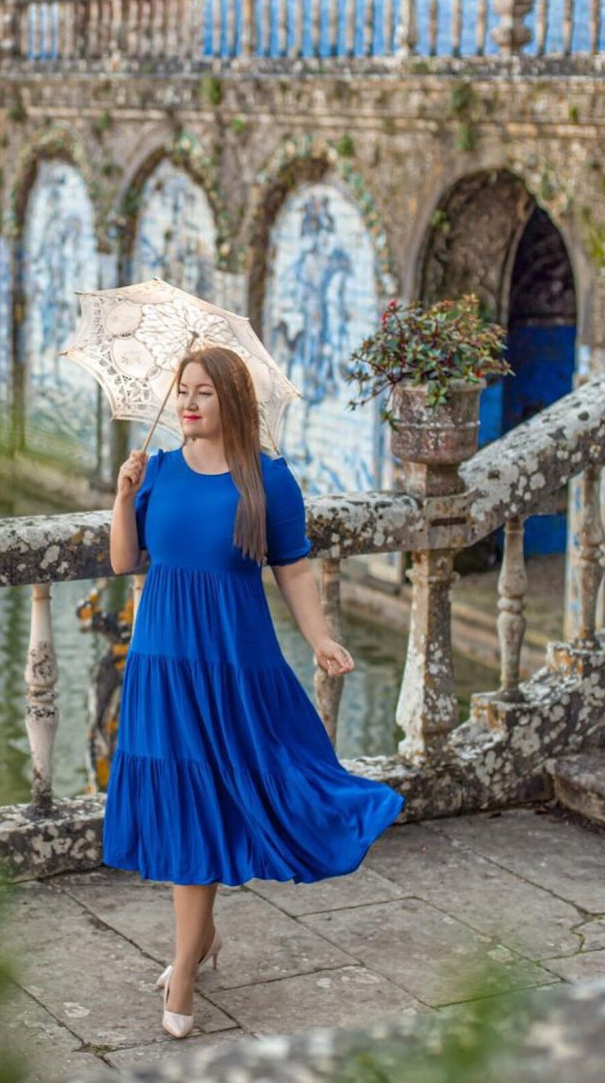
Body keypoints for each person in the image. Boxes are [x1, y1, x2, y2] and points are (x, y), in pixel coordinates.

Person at [103, 345, 404, 1040]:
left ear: (233, 401)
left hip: (233, 666)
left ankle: (183, 967)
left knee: (227, 795)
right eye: (182, 390)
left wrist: (321, 638)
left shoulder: (266, 480)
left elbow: (294, 570)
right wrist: (122, 497)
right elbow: (124, 561)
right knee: (185, 806)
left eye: (204, 392)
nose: (188, 403)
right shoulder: (159, 472)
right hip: (163, 663)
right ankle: (194, 950)